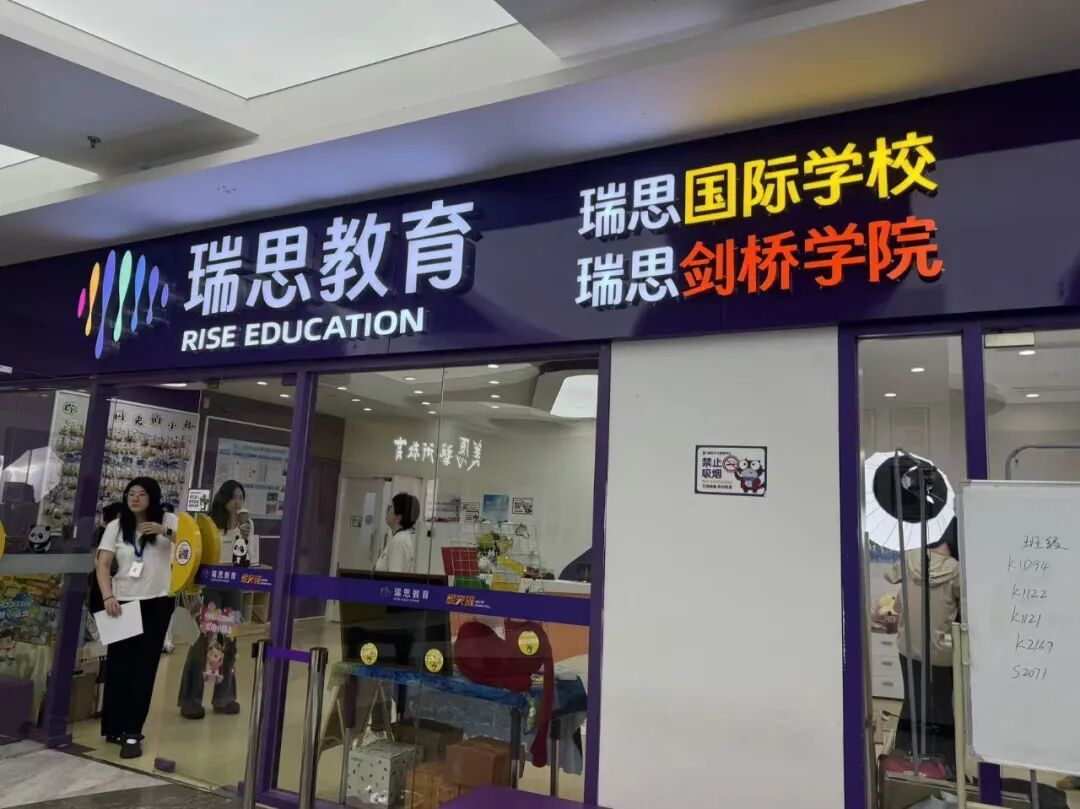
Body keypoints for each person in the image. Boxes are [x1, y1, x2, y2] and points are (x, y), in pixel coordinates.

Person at [96, 477, 178, 759]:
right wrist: (108, 596)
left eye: (142, 494)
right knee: (119, 666)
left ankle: (133, 731)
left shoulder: (168, 521)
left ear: (152, 497)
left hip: (157, 602)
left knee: (145, 668)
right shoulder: (116, 526)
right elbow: (103, 564)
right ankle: (114, 727)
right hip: (122, 603)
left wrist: (165, 531)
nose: (135, 498)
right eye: (131, 493)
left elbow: (190, 547)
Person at [885, 518, 961, 768]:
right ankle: (946, 763)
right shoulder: (957, 570)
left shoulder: (911, 557)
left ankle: (904, 756)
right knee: (942, 707)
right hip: (941, 653)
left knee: (912, 699)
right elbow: (967, 608)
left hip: (908, 648)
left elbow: (889, 576)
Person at [177, 480, 250, 720]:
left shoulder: (245, 525)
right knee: (203, 642)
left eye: (241, 497)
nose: (237, 502)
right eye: (234, 497)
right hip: (210, 586)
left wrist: (245, 538)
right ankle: (191, 700)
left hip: (233, 586)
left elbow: (246, 559)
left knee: (229, 642)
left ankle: (224, 697)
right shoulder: (208, 523)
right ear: (223, 498)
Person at [375, 493, 419, 574]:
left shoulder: (399, 541)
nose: (386, 511)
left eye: (390, 508)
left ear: (398, 516)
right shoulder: (399, 538)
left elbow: (394, 576)